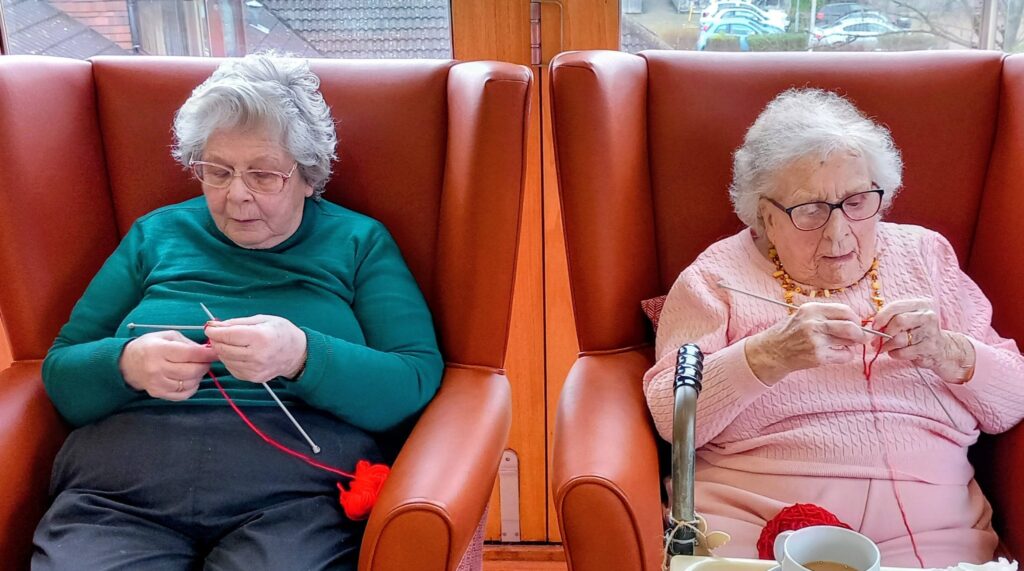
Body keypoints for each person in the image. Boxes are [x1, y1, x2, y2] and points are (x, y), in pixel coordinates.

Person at [32, 53, 443, 570]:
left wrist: (302, 355)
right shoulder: (155, 235)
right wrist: (126, 364)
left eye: (264, 174)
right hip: (122, 489)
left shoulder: (358, 242)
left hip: (295, 493)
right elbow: (61, 371)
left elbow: (413, 381)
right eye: (217, 172)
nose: (236, 196)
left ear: (308, 176)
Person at [644, 88, 1024, 567]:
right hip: (758, 510)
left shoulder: (927, 255)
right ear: (763, 215)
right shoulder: (715, 276)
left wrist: (949, 351)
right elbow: (670, 415)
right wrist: (767, 356)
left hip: (930, 518)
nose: (839, 232)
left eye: (858, 200)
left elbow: (1011, 403)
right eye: (810, 210)